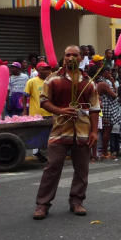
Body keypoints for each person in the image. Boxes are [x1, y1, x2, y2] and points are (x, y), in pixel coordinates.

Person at [32, 45, 100, 220]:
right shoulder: (53, 79)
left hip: (83, 132)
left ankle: (77, 202)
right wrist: (61, 111)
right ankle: (42, 204)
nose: (71, 58)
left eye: (75, 55)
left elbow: (94, 109)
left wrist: (94, 131)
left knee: (82, 169)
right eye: (67, 55)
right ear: (64, 57)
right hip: (60, 131)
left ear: (81, 57)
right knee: (52, 167)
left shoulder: (89, 82)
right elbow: (44, 101)